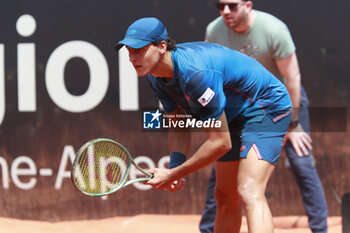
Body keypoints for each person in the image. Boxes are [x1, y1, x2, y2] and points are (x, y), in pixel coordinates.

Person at [115, 17, 292, 233]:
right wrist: (175, 163)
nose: (133, 58)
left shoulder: (195, 75)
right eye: (129, 51)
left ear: (162, 47)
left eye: (139, 50)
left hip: (265, 105)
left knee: (249, 190)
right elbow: (178, 125)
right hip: (231, 115)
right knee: (225, 197)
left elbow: (220, 143)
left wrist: (174, 174)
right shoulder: (156, 77)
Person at [199, 1, 328, 233]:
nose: (225, 11)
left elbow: (293, 77)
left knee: (300, 161)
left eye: (232, 5)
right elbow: (211, 75)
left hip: (280, 100)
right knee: (222, 168)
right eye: (220, 6)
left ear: (247, 5)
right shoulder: (214, 30)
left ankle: (320, 229)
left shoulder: (273, 29)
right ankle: (208, 229)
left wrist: (294, 124)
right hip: (239, 105)